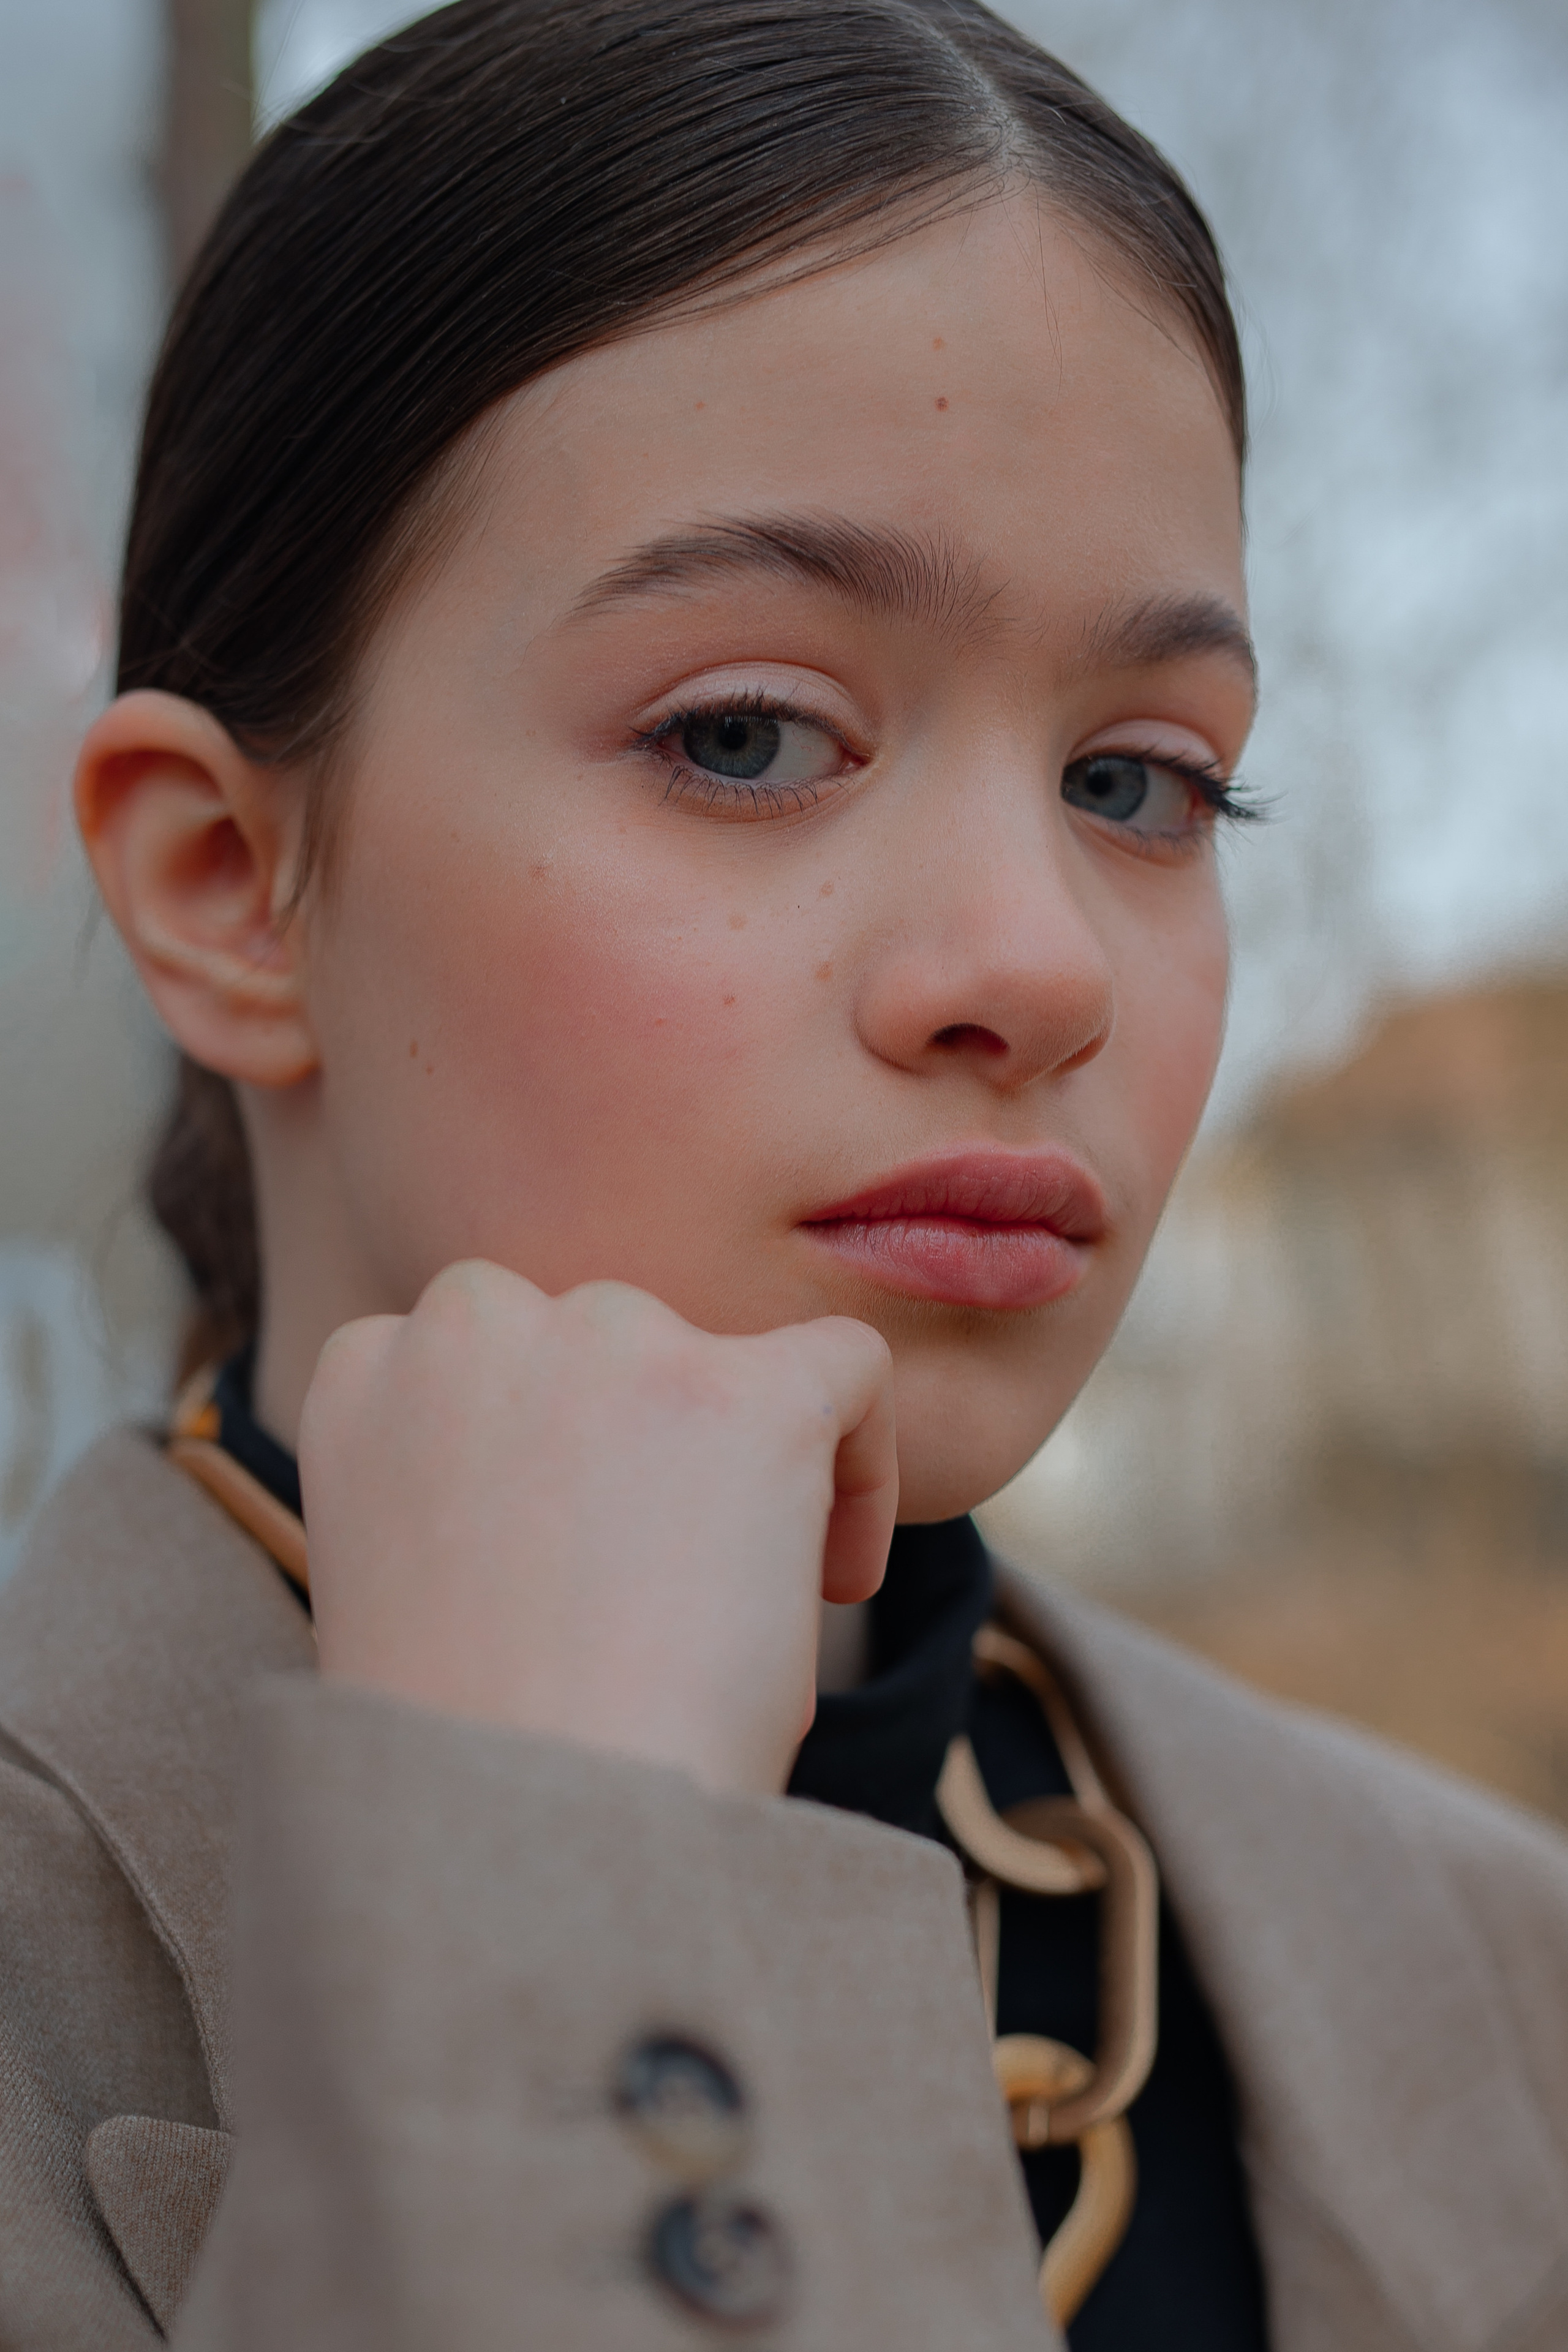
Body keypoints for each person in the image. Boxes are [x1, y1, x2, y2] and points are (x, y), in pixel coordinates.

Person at [2, 1, 1566, 2345]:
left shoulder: (1498, 1963)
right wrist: (567, 1905)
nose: (1038, 966)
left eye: (1141, 781)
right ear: (229, 879)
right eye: (747, 735)